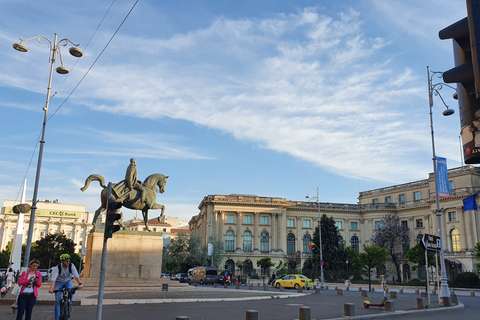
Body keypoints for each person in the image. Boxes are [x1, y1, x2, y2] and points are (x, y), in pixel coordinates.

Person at [48, 254, 83, 320]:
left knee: (71, 290)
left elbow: (76, 276)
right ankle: (57, 318)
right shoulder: (57, 268)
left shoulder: (71, 266)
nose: (68, 262)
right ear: (62, 261)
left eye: (69, 261)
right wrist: (51, 288)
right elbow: (53, 279)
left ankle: (69, 303)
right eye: (66, 261)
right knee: (58, 300)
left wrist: (80, 284)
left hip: (68, 281)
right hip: (59, 282)